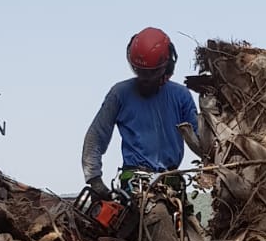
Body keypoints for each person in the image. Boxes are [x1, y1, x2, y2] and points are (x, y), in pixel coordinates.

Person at [82, 27, 198, 197]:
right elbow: (96, 137)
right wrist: (95, 180)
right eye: (141, 72)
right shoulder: (120, 94)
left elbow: (201, 140)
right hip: (135, 182)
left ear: (166, 67)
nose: (145, 78)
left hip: (172, 181)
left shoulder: (181, 96)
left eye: (151, 73)